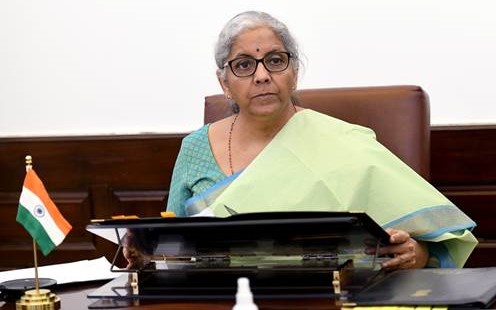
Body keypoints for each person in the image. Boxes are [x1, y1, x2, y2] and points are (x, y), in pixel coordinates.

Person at [161, 11, 477, 270]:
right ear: (224, 82)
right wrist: (144, 251)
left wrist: (415, 254)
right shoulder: (195, 149)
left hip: (331, 297)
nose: (262, 75)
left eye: (275, 60)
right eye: (243, 65)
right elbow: (166, 250)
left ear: (294, 72)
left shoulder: (342, 143)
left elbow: (426, 245)